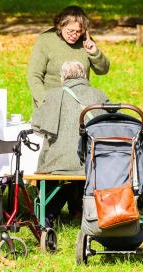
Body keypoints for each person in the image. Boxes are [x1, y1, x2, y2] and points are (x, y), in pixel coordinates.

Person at [32, 60, 108, 226]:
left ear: (62, 77)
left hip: (57, 163)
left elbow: (36, 126)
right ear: (84, 75)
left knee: (51, 168)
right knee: (76, 170)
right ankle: (83, 211)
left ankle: (47, 217)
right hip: (93, 163)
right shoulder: (99, 95)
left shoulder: (53, 95)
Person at [28, 6, 109, 108]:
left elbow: (103, 70)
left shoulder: (85, 42)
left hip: (79, 105)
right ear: (61, 25)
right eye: (70, 31)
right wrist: (45, 103)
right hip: (51, 104)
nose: (74, 35)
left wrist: (94, 52)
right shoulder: (46, 40)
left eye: (78, 31)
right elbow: (34, 76)